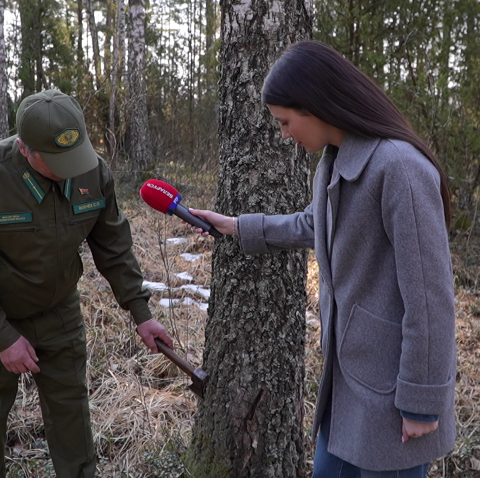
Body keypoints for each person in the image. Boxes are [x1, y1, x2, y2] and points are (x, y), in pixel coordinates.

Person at [190, 40, 456, 477]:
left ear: (314, 106)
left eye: (285, 121)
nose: (284, 134)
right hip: (347, 387)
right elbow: (317, 224)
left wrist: (421, 403)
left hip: (394, 400)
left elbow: (431, 299)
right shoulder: (335, 159)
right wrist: (237, 226)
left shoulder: (400, 168)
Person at [0, 89, 173, 478]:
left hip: (58, 310)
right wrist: (1, 337)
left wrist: (141, 312)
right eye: (57, 162)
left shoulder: (92, 172)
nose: (71, 170)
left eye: (74, 157)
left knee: (71, 413)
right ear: (24, 149)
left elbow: (113, 247)